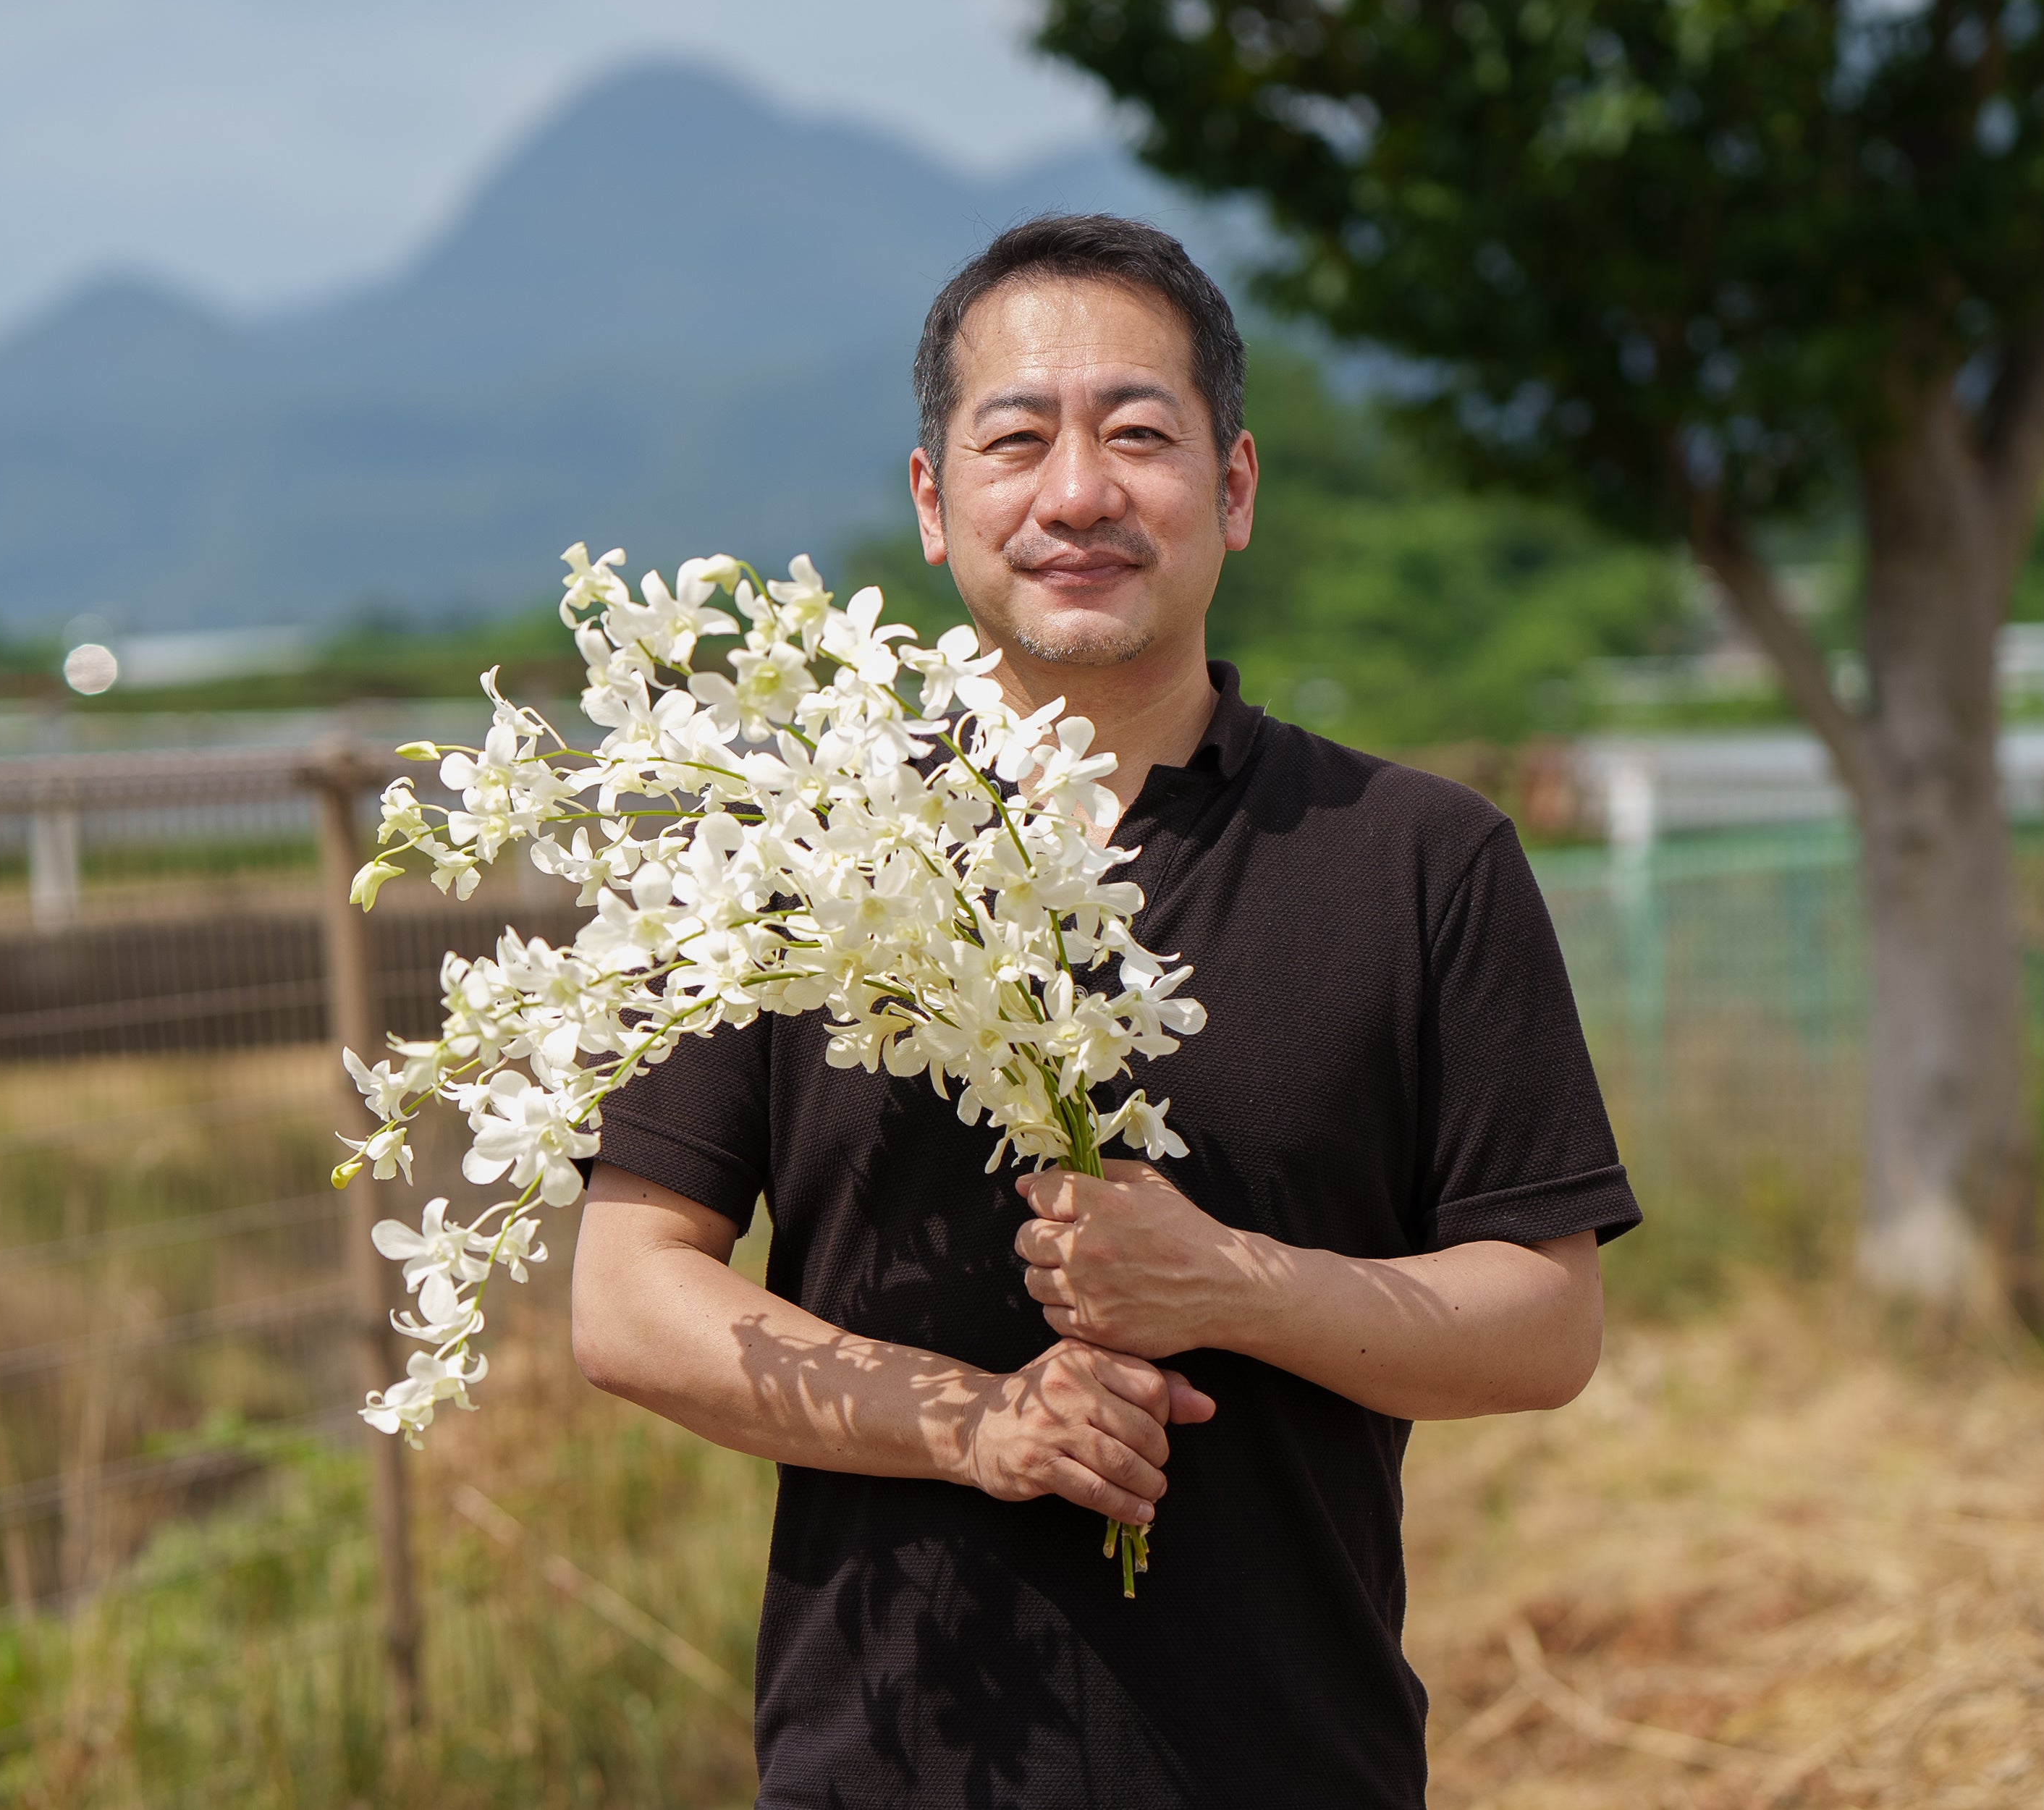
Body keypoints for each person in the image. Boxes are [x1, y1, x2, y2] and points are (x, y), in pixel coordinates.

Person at [571, 213, 1640, 1809]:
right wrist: (975, 1422)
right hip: (882, 1773)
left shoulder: (1418, 859)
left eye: (1138, 434)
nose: (1077, 492)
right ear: (932, 501)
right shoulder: (779, 855)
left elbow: (1544, 1324)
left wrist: (1225, 1281)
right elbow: (626, 1297)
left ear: (1236, 487)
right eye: (1016, 441)